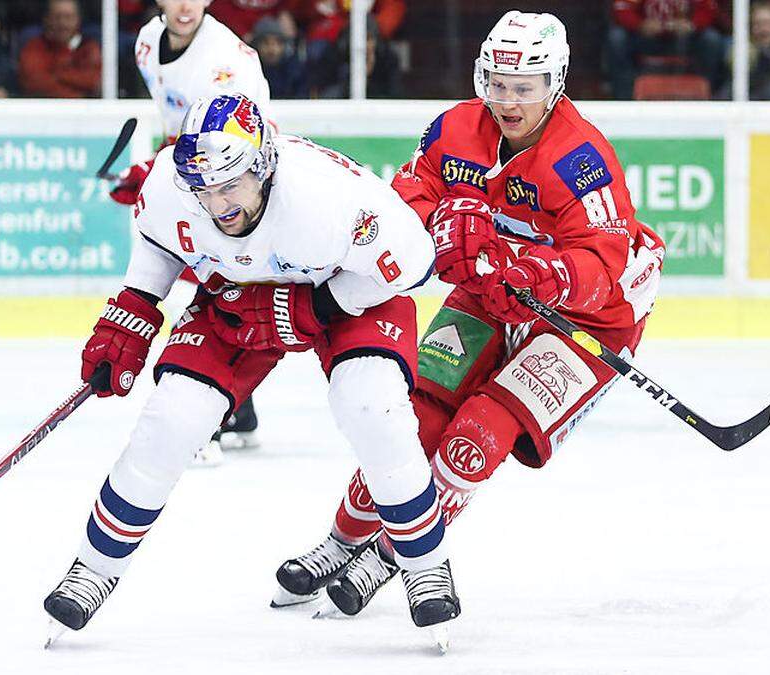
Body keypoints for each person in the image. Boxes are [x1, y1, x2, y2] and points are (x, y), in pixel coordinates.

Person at [271, 11, 666, 618]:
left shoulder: (582, 158)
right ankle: (341, 541)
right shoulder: (455, 128)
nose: (508, 102)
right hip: (489, 293)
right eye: (498, 85)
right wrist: (443, 226)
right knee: (418, 412)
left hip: (587, 322)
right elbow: (408, 197)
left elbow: (601, 263)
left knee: (483, 423)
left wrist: (540, 275)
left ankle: (393, 553)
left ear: (554, 82)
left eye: (524, 88)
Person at [42, 94, 458, 643]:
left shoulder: (329, 200)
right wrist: (134, 311)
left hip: (350, 290)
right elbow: (159, 245)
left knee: (371, 408)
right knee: (172, 421)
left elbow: (413, 264)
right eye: (204, 187)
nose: (218, 202)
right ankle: (93, 569)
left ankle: (427, 565)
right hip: (237, 296)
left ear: (261, 164)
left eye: (230, 183)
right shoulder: (172, 183)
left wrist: (315, 308)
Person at [110, 0, 275, 462]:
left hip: (235, 189)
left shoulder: (229, 62)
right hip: (193, 182)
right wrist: (156, 169)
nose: (185, 5)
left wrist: (158, 173)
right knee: (211, 289)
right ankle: (237, 412)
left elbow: (257, 143)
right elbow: (176, 129)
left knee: (223, 292)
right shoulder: (146, 43)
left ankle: (211, 412)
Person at [606, 0, 725, 99]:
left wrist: (692, 25)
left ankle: (712, 95)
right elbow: (622, 8)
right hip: (647, 38)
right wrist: (641, 25)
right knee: (617, 38)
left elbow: (709, 8)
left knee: (711, 39)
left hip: (684, 39)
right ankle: (624, 97)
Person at [17, 0, 102, 98]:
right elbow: (33, 82)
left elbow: (94, 81)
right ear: (46, 19)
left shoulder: (89, 48)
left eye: (68, 17)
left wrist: (55, 74)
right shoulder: (34, 46)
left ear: (78, 20)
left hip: (86, 111)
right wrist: (76, 97)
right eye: (57, 17)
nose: (63, 23)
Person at [251, 15, 307, 99]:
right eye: (266, 43)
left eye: (278, 43)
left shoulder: (295, 71)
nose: (272, 49)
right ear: (256, 45)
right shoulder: (248, 69)